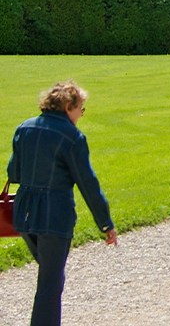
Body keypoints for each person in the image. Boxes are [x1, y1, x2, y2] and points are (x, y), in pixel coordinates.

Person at [7, 81, 117, 326]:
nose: (81, 115)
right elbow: (88, 183)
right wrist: (105, 223)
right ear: (69, 106)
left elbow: (14, 172)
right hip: (54, 216)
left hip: (24, 216)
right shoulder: (72, 137)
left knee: (49, 276)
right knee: (50, 282)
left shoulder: (24, 128)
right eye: (81, 109)